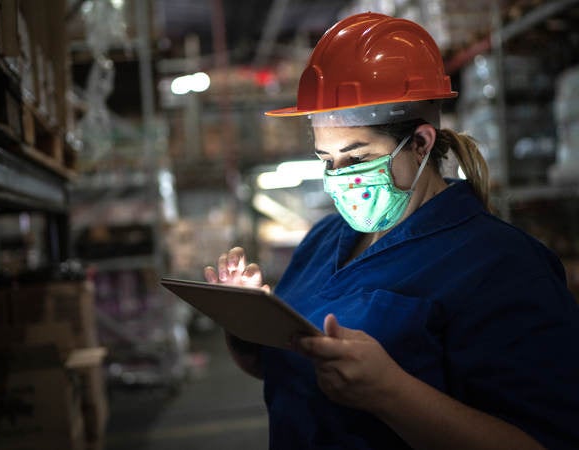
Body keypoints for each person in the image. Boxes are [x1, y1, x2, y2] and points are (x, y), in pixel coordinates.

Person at [203, 12, 579, 450]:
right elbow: (293, 374)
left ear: (420, 143)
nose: (339, 177)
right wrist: (248, 328)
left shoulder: (503, 266)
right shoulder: (323, 241)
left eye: (357, 158)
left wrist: (392, 393)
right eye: (327, 160)